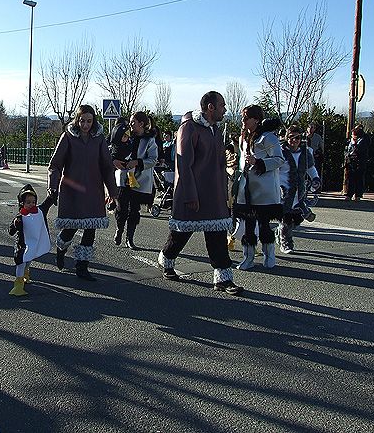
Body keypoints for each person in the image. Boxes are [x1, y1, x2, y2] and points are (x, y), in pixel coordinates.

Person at [157, 91, 243, 295]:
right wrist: (190, 195)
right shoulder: (189, 128)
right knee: (181, 233)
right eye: (222, 105)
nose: (225, 109)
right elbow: (184, 164)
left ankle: (223, 278)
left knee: (217, 236)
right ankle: (167, 260)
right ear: (210, 107)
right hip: (192, 193)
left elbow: (218, 162)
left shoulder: (215, 130)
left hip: (213, 194)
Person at [48, 104, 118, 281]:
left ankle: (82, 266)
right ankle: (61, 249)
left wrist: (113, 191)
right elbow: (55, 165)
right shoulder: (68, 137)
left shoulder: (99, 138)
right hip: (72, 190)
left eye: (89, 121)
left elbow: (107, 166)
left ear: (93, 121)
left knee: (90, 229)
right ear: (77, 120)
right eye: (82, 120)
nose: (85, 124)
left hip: (94, 190)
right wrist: (53, 187)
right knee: (70, 228)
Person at [233, 105, 284, 270]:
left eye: (246, 118)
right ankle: (248, 258)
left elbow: (279, 159)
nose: (243, 121)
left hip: (264, 190)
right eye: (242, 118)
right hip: (246, 188)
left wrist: (259, 162)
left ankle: (269, 256)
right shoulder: (243, 138)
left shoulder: (268, 137)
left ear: (256, 119)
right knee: (247, 225)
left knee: (263, 224)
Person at [112, 111, 158, 249]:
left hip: (139, 180)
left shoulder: (149, 140)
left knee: (134, 210)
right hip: (124, 177)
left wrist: (137, 162)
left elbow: (153, 159)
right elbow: (113, 148)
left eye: (133, 122)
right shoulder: (126, 136)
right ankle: (119, 230)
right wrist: (114, 160)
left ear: (141, 124)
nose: (130, 125)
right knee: (121, 208)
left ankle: (129, 238)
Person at [277, 125, 320, 254]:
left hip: (299, 191)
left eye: (297, 138)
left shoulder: (306, 152)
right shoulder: (280, 151)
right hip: (284, 191)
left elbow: (310, 168)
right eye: (291, 137)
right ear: (286, 138)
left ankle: (281, 232)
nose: (294, 141)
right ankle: (286, 242)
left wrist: (315, 179)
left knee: (298, 218)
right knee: (286, 218)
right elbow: (273, 170)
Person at [8, 184, 56, 296]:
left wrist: (51, 195)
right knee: (21, 263)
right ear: (22, 203)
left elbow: (47, 204)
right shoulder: (19, 217)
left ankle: (26, 274)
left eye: (33, 202)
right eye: (28, 202)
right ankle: (18, 285)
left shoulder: (39, 211)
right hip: (22, 245)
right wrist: (15, 225)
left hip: (33, 245)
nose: (31, 204)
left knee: (28, 261)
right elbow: (10, 231)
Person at [344, 124, 369, 201]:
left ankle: (358, 195)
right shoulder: (349, 141)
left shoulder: (363, 141)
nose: (352, 136)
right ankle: (349, 194)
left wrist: (355, 145)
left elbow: (360, 150)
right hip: (350, 162)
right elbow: (346, 150)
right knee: (350, 179)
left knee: (359, 179)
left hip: (359, 162)